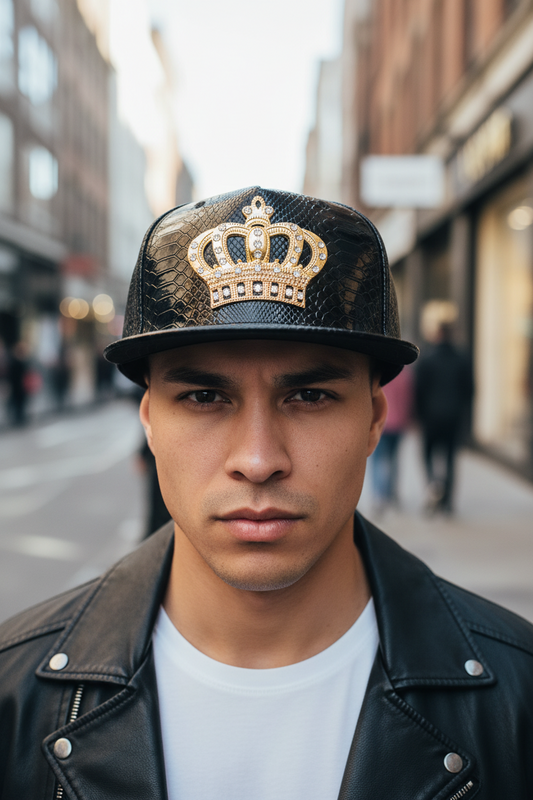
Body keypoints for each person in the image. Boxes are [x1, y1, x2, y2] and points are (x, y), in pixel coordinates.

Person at [0, 188, 532, 800]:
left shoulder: (518, 698)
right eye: (204, 397)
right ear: (149, 422)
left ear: (373, 420)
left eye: (309, 396)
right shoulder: (16, 694)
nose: (257, 461)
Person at [415, 322, 474, 513]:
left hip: (430, 417)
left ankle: (434, 488)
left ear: (438, 334)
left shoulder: (427, 359)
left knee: (428, 456)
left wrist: (418, 416)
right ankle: (447, 500)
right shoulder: (462, 359)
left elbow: (419, 390)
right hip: (453, 417)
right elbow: (470, 390)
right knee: (450, 459)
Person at [370, 365, 413, 510]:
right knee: (394, 460)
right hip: (398, 425)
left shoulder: (379, 374)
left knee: (378, 460)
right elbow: (408, 400)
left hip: (381, 423)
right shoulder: (404, 376)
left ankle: (379, 496)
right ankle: (392, 494)